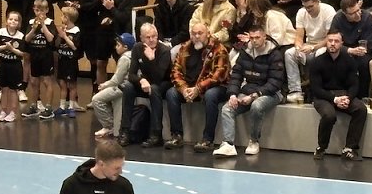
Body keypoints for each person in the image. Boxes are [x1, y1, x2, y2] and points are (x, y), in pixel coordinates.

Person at [213, 25, 284, 157]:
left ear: (264, 37)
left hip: (271, 93)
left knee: (257, 105)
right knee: (227, 108)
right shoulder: (245, 51)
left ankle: (254, 141)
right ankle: (228, 144)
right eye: (251, 38)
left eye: (257, 37)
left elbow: (275, 82)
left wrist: (253, 96)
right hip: (249, 89)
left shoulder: (275, 54)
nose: (254, 41)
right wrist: (233, 94)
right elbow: (236, 75)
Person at [164, 21, 230, 151]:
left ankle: (207, 139)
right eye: (194, 34)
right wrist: (183, 89)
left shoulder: (219, 49)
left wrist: (198, 88)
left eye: (200, 33)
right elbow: (175, 71)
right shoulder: (184, 48)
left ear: (208, 34)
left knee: (211, 95)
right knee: (171, 93)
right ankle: (177, 136)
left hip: (216, 87)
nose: (197, 36)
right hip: (190, 87)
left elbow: (217, 76)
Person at [310, 29, 368, 160]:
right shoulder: (317, 62)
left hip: (343, 94)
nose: (332, 43)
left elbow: (354, 85)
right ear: (326, 42)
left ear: (342, 43)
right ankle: (321, 148)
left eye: (336, 41)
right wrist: (334, 99)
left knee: (361, 109)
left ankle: (349, 148)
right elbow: (316, 88)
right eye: (330, 40)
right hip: (323, 96)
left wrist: (348, 98)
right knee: (329, 115)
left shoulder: (349, 61)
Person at [120, 21, 172, 148]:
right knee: (128, 87)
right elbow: (131, 74)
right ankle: (125, 131)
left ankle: (156, 134)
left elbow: (158, 77)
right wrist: (141, 80)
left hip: (163, 83)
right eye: (148, 37)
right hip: (146, 81)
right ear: (141, 38)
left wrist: (151, 59)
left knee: (154, 89)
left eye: (154, 36)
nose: (152, 40)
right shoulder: (137, 48)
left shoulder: (164, 51)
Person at [285, 0, 337, 103]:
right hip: (308, 44)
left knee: (320, 54)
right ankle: (295, 91)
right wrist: (298, 47)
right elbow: (299, 36)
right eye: (305, 7)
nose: (308, 10)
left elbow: (330, 37)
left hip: (325, 45)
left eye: (310, 7)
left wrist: (313, 48)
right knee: (289, 53)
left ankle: (319, 91)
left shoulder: (328, 11)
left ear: (317, 1)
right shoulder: (301, 12)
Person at [91, 33, 135, 139]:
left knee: (96, 99)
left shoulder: (125, 58)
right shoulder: (133, 55)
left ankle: (108, 126)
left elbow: (117, 80)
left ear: (125, 47)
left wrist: (104, 85)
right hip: (126, 86)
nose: (116, 47)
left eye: (118, 45)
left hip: (121, 87)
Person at [21, 0, 58, 120]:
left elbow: (51, 39)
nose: (39, 13)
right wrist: (34, 28)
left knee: (47, 81)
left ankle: (48, 108)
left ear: (47, 10)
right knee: (34, 81)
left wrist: (43, 25)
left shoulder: (50, 23)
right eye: (37, 10)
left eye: (42, 10)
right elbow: (27, 39)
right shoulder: (31, 22)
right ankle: (34, 105)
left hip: (46, 56)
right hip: (35, 55)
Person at [0, 11, 26, 124]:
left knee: (13, 90)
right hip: (3, 64)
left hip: (15, 66)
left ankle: (12, 112)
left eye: (15, 20)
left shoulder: (21, 36)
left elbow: (22, 53)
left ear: (19, 23)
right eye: (10, 19)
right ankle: (3, 111)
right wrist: (5, 47)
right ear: (6, 21)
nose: (13, 21)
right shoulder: (1, 32)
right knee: (4, 89)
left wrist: (12, 49)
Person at [53, 7, 82, 119]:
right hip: (62, 60)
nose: (61, 17)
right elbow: (57, 45)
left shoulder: (76, 31)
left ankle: (71, 107)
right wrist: (60, 35)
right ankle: (62, 106)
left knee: (71, 85)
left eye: (63, 16)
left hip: (71, 61)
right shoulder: (62, 29)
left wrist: (65, 36)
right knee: (62, 84)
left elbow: (74, 47)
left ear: (67, 18)